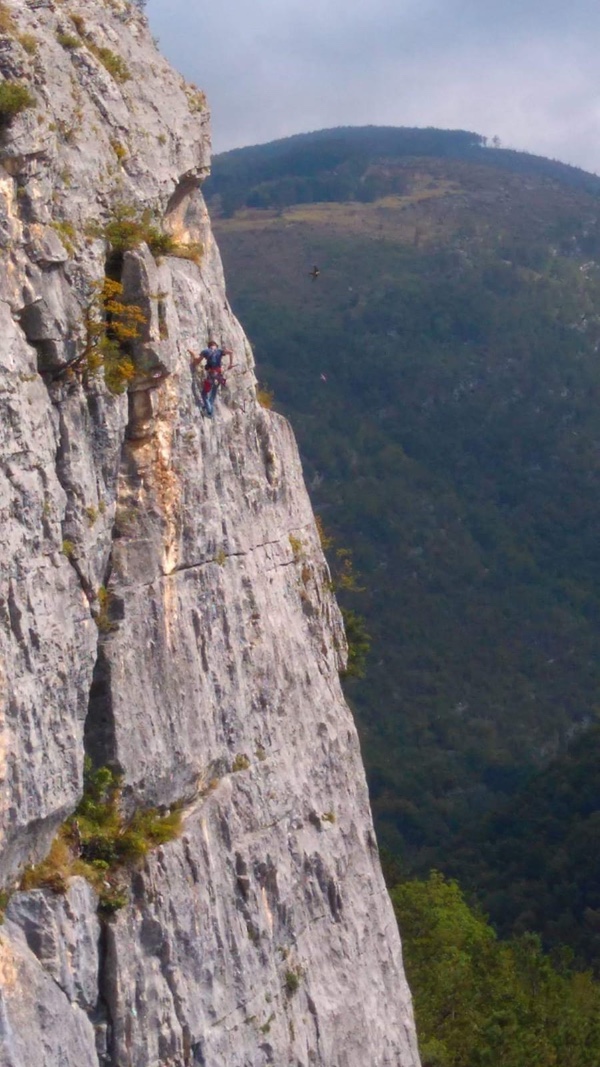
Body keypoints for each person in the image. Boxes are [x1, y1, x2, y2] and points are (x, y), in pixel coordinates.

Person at [189, 339, 233, 418]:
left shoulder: (205, 351)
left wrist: (191, 352)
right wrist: (230, 364)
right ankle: (209, 409)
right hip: (219, 375)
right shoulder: (219, 351)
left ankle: (209, 411)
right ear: (215, 346)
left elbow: (197, 360)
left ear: (209, 346)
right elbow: (231, 352)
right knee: (213, 393)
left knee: (204, 393)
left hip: (211, 375)